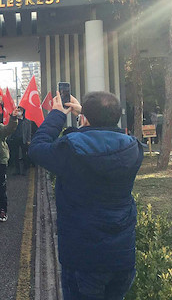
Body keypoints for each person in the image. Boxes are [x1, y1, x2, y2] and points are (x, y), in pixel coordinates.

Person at [29, 91, 142, 300]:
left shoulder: (71, 149)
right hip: (122, 257)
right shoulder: (132, 147)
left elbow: (36, 149)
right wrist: (88, 115)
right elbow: (105, 136)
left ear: (86, 118)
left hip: (84, 259)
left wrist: (57, 115)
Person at [7, 106, 37, 175]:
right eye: (17, 110)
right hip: (15, 139)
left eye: (20, 110)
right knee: (16, 156)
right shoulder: (14, 120)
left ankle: (25, 170)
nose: (19, 112)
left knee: (24, 155)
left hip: (23, 140)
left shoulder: (27, 121)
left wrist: (28, 140)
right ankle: (17, 170)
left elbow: (29, 132)